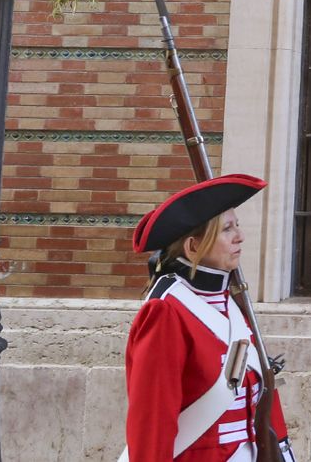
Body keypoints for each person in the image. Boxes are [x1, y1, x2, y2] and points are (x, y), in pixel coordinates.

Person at [122, 174, 297, 461]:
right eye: (227, 229)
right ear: (193, 247)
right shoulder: (166, 312)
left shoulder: (231, 304)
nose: (239, 236)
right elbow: (153, 422)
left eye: (237, 225)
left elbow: (262, 402)